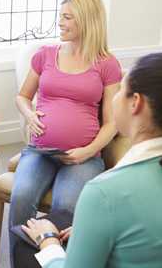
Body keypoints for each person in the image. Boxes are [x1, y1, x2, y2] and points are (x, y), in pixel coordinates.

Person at [8, 0, 122, 267]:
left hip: (82, 157)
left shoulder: (107, 64)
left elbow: (112, 123)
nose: (60, 22)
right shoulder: (45, 54)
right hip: (40, 151)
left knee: (66, 208)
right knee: (21, 197)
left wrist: (88, 151)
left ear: (86, 20)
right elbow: (22, 96)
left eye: (67, 17)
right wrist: (30, 114)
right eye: (60, 16)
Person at [22, 52, 162, 267]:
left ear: (135, 103)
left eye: (121, 90)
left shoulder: (103, 192)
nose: (114, 97)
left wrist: (48, 242)